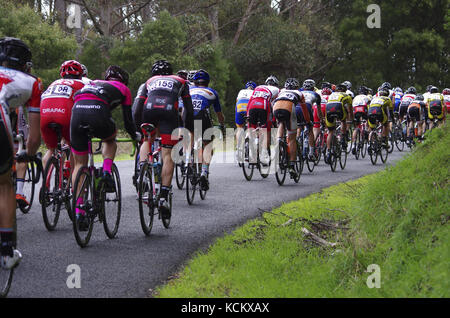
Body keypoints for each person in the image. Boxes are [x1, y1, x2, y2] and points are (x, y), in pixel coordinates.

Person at [70, 65, 138, 229]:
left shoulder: (92, 82)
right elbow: (128, 120)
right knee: (110, 140)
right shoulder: (124, 89)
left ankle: (79, 210)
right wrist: (134, 135)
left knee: (79, 165)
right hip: (97, 111)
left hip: (76, 112)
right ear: (124, 80)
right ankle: (106, 172)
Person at [0, 37, 42, 269]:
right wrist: (28, 154)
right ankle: (7, 252)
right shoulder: (32, 82)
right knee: (4, 184)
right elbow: (34, 137)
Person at [134, 60, 194, 217]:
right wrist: (187, 128)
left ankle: (142, 169)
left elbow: (138, 106)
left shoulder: (148, 81)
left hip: (148, 111)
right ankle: (163, 198)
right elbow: (188, 107)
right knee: (168, 156)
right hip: (169, 113)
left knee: (147, 140)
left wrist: (136, 128)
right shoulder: (181, 81)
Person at [40, 60, 85, 175]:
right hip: (64, 116)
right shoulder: (81, 84)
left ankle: (45, 186)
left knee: (51, 150)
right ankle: (73, 184)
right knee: (75, 148)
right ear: (80, 74)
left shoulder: (54, 83)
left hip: (44, 115)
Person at [189, 69, 224, 191]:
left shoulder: (189, 90)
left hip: (187, 115)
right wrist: (221, 125)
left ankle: (189, 161)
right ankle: (204, 171)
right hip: (203, 115)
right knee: (208, 145)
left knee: (189, 139)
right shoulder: (212, 92)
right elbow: (218, 113)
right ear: (207, 82)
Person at [273, 78, 307, 178]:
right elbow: (304, 110)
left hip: (276, 107)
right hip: (289, 108)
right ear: (297, 86)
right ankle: (292, 165)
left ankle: (279, 140)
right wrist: (307, 121)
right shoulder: (299, 93)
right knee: (292, 139)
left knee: (281, 123)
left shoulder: (281, 91)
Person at [246, 75, 280, 165]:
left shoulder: (258, 87)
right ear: (276, 84)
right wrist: (274, 120)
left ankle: (251, 152)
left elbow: (250, 100)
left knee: (252, 127)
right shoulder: (277, 90)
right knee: (266, 130)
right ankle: (264, 154)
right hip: (264, 106)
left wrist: (247, 115)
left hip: (251, 106)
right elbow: (275, 105)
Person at [324, 83, 353, 164]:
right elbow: (350, 110)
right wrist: (351, 120)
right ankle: (343, 137)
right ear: (345, 90)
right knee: (343, 120)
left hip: (329, 109)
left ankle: (328, 151)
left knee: (330, 131)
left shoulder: (331, 95)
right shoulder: (347, 95)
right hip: (338, 108)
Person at [300, 79, 323, 160]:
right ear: (313, 87)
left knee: (297, 127)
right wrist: (322, 120)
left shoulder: (299, 92)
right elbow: (319, 112)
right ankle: (311, 152)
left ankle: (297, 142)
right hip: (307, 108)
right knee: (310, 130)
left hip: (296, 109)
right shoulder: (316, 94)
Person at [235, 81, 256, 161]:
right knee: (251, 125)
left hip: (239, 106)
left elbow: (236, 104)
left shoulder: (241, 91)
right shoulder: (254, 92)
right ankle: (249, 140)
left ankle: (238, 147)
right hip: (249, 106)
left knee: (239, 128)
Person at [351, 86, 370, 155]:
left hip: (355, 109)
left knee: (356, 128)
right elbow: (370, 105)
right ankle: (368, 144)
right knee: (368, 121)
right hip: (363, 108)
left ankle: (353, 145)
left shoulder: (356, 97)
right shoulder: (367, 97)